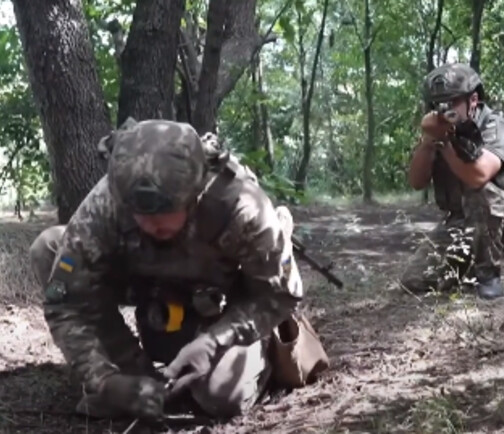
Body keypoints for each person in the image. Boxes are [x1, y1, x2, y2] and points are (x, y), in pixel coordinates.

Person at [28, 119, 319, 421]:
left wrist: (214, 341)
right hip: (146, 286)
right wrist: (103, 380)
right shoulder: (108, 202)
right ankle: (130, 369)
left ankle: (260, 355)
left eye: (165, 212)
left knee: (221, 396)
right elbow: (67, 304)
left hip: (218, 303)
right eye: (141, 215)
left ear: (195, 194)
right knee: (49, 247)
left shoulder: (240, 205)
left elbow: (279, 293)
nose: (152, 225)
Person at [400, 63, 504, 300]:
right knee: (414, 280)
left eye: (452, 102)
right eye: (436, 104)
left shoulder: (497, 128)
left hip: (502, 220)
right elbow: (417, 182)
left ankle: (489, 275)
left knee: (479, 191)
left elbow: (478, 176)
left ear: (473, 100)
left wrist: (446, 145)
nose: (444, 109)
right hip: (460, 223)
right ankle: (467, 267)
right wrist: (429, 141)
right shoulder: (440, 130)